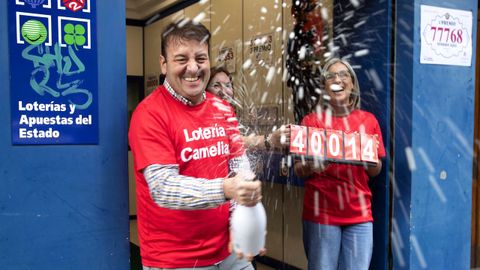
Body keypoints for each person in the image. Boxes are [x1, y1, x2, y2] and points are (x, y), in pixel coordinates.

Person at [128, 21, 262, 270]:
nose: (193, 67)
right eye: (181, 59)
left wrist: (245, 222)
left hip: (230, 251)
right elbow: (164, 187)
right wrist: (226, 188)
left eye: (200, 58)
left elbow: (238, 167)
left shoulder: (222, 109)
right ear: (163, 64)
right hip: (175, 260)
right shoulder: (149, 114)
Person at [294, 58, 386, 270]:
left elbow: (376, 171)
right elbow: (298, 169)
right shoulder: (311, 122)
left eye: (343, 74)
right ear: (324, 87)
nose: (337, 79)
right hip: (321, 215)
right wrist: (312, 165)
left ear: (352, 83)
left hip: (359, 215)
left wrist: (368, 160)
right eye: (330, 76)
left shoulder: (368, 120)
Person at [207, 66, 290, 152]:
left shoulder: (229, 115)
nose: (224, 92)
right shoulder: (205, 117)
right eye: (216, 86)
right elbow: (230, 141)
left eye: (228, 85)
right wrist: (270, 140)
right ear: (205, 91)